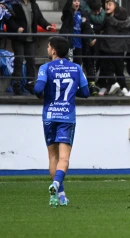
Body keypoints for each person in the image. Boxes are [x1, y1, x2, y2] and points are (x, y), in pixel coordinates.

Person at [33, 36, 89, 207]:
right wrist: (72, 93)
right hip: (67, 117)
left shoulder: (45, 68)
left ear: (54, 51)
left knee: (53, 156)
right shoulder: (76, 68)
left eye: (49, 46)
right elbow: (86, 92)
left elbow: (38, 89)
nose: (48, 49)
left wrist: (36, 90)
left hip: (50, 116)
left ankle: (58, 196)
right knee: (64, 157)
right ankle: (56, 185)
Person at [6, 0, 54, 95]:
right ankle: (17, 84)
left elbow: (39, 18)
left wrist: (47, 25)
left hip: (31, 38)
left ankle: (30, 84)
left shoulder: (33, 5)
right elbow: (9, 19)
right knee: (19, 60)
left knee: (31, 61)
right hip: (18, 38)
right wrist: (16, 28)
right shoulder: (14, 4)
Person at [98, 0, 130, 96]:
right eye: (106, 4)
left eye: (109, 4)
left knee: (109, 68)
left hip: (109, 47)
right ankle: (121, 88)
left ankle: (112, 85)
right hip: (118, 47)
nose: (107, 6)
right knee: (116, 69)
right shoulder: (124, 19)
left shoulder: (108, 18)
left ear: (115, 6)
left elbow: (99, 28)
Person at [59, 0, 95, 66]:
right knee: (69, 65)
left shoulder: (82, 13)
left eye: (78, 1)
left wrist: (92, 36)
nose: (77, 3)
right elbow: (66, 8)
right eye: (74, 1)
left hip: (79, 44)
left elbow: (87, 26)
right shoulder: (68, 13)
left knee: (78, 65)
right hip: (70, 44)